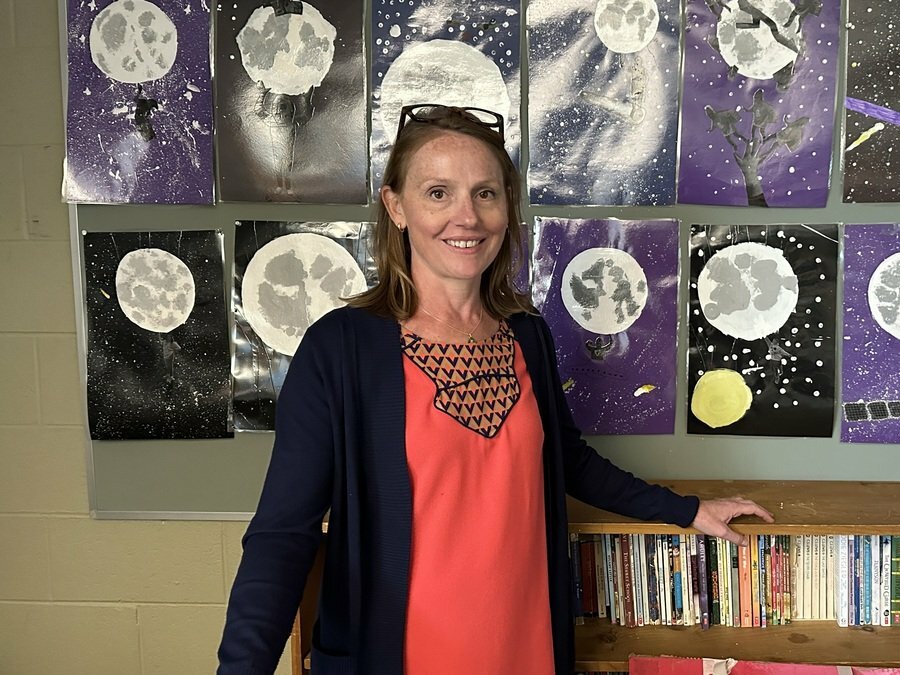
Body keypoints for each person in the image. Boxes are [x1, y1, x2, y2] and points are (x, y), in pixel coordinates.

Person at [216, 104, 774, 675]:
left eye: (485, 193)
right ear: (396, 206)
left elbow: (569, 461)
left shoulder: (527, 334)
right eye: (438, 193)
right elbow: (283, 534)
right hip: (401, 659)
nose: (467, 217)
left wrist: (685, 510)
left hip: (526, 648)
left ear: (507, 207)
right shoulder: (339, 349)